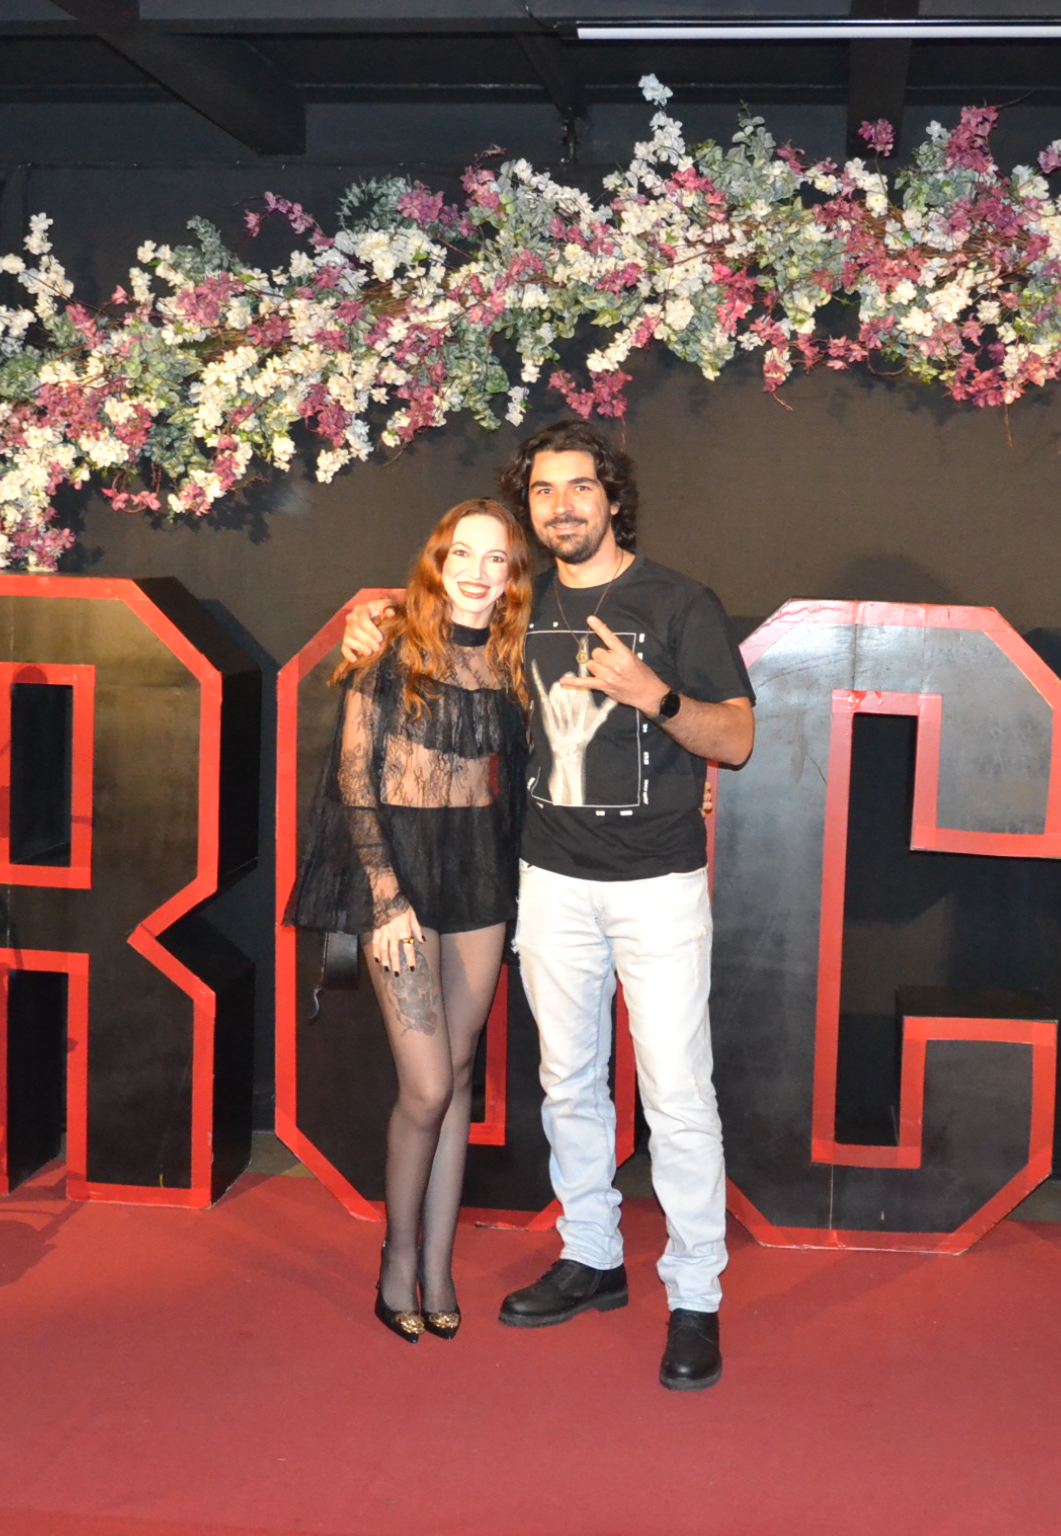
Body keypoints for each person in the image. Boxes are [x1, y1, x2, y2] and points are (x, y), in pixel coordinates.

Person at [341, 420, 755, 1390]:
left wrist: (655, 696)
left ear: (613, 497)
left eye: (579, 487)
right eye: (542, 492)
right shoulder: (521, 608)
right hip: (550, 882)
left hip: (656, 885)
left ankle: (696, 1296)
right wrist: (371, 621)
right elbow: (434, 625)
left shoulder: (678, 602)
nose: (561, 506)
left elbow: (735, 740)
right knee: (568, 1083)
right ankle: (592, 1256)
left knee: (677, 1096)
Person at [285, 499, 533, 1344]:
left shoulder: (517, 663)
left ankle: (440, 1263)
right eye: (462, 554)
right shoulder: (388, 646)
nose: (476, 571)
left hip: (482, 879)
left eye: (495, 559)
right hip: (401, 878)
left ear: (512, 578)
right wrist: (384, 898)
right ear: (438, 562)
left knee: (458, 1077)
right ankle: (397, 1261)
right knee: (426, 1087)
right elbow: (355, 779)